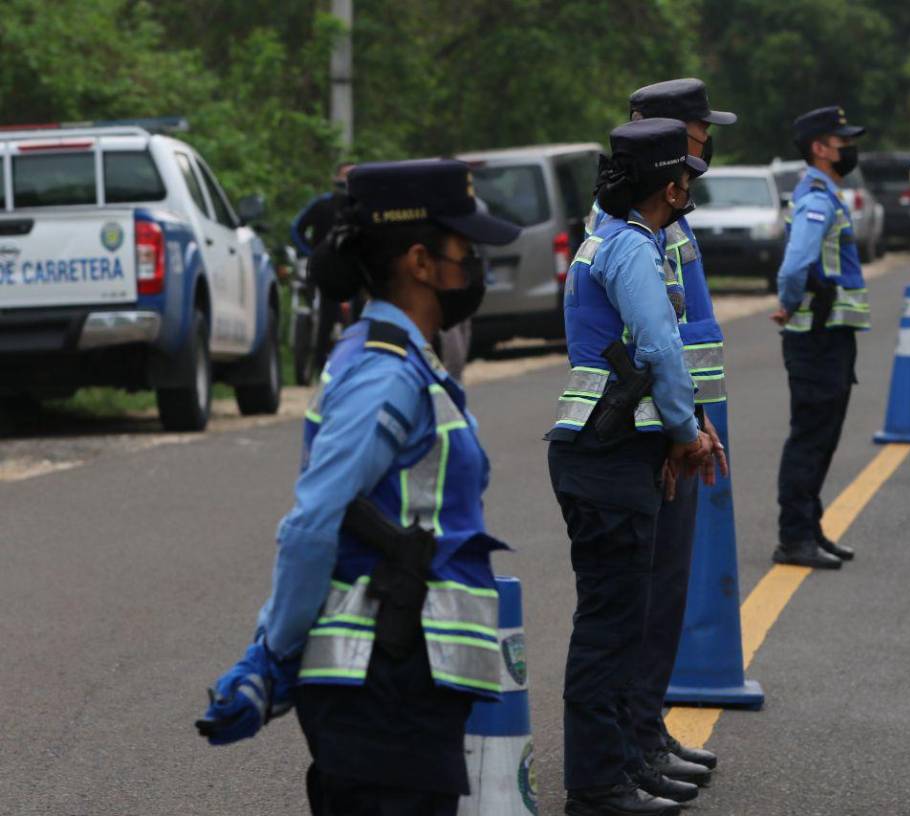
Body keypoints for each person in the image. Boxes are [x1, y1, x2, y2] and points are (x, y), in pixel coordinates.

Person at [196, 159, 522, 816]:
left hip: (404, 679)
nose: (475, 266)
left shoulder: (404, 361)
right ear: (421, 262)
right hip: (385, 680)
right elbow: (314, 521)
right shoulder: (384, 373)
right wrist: (273, 654)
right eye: (465, 250)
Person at [546, 117, 714, 816]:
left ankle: (619, 768)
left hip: (605, 452)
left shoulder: (610, 241)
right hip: (609, 456)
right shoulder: (631, 251)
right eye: (686, 178)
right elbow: (662, 350)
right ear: (671, 187)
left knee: (618, 621)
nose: (688, 189)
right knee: (611, 629)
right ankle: (597, 786)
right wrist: (687, 432)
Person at [583, 78, 731, 797]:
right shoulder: (635, 228)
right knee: (638, 594)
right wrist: (684, 425)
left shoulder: (661, 220)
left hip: (679, 419)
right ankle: (630, 743)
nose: (705, 143)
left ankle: (645, 728)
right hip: (652, 427)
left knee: (664, 588)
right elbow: (656, 339)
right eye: (697, 130)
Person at [770, 105, 872, 570]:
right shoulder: (815, 198)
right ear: (819, 148)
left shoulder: (827, 195)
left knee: (824, 437)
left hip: (832, 334)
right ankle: (794, 538)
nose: (849, 148)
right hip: (816, 335)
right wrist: (790, 303)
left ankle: (810, 529)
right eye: (841, 140)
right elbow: (794, 267)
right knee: (810, 438)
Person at [291, 163, 359, 377]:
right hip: (323, 269)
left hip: (355, 270)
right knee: (325, 313)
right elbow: (297, 229)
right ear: (335, 179)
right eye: (344, 175)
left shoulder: (362, 207)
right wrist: (310, 252)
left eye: (352, 175)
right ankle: (320, 363)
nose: (347, 180)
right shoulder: (322, 205)